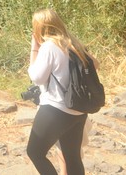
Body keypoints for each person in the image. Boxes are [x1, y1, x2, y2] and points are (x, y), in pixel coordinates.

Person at [26, 9, 94, 175]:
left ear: (39, 28)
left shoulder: (49, 46)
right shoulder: (73, 43)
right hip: (78, 110)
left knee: (35, 152)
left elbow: (37, 78)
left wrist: (34, 49)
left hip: (56, 109)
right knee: (72, 157)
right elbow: (95, 65)